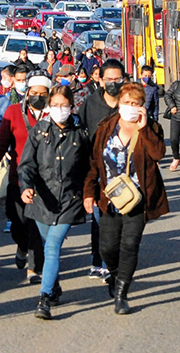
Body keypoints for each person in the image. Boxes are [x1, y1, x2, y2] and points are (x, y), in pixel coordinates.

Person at [83, 82, 168, 315]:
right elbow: (94, 163)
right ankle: (115, 275)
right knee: (107, 248)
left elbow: (158, 154)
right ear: (119, 103)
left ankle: (121, 293)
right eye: (126, 102)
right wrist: (89, 192)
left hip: (138, 199)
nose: (130, 107)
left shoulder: (151, 127)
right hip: (109, 199)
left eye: (135, 103)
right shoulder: (105, 127)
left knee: (130, 245)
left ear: (142, 106)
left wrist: (144, 128)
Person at [19, 85, 90, 320]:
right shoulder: (39, 131)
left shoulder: (81, 132)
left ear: (72, 106)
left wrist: (90, 193)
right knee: (47, 243)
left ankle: (44, 298)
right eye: (55, 105)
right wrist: (26, 186)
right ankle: (54, 285)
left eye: (64, 105)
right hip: (42, 199)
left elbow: (90, 166)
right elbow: (27, 165)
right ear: (49, 106)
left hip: (70, 199)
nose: (60, 110)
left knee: (52, 246)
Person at [0, 71, 53, 285]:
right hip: (17, 179)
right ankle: (22, 246)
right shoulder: (13, 112)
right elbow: (1, 143)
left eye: (42, 93)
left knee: (36, 225)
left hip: (44, 183)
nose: (38, 97)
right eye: (34, 92)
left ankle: (34, 268)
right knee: (18, 223)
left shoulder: (53, 114)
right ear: (27, 92)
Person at [77, 59, 125, 280]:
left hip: (123, 173)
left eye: (118, 79)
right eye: (109, 79)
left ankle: (111, 263)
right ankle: (99, 262)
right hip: (96, 172)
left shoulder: (128, 103)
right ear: (101, 80)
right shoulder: (90, 104)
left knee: (116, 221)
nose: (113, 83)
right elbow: (81, 134)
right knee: (99, 219)